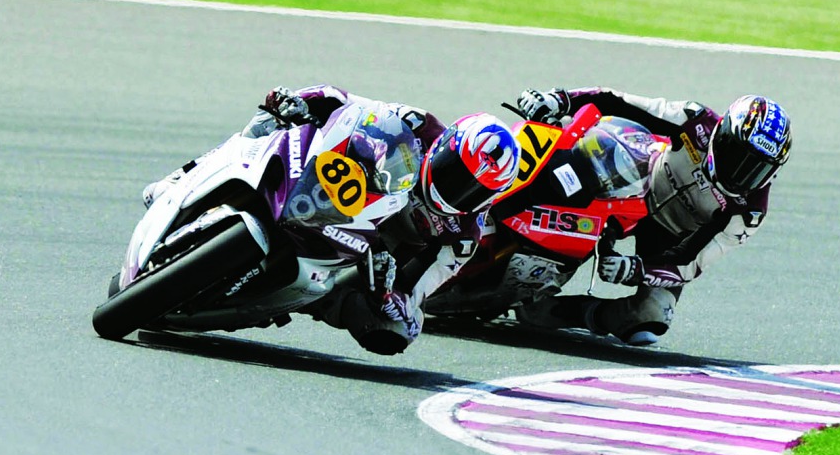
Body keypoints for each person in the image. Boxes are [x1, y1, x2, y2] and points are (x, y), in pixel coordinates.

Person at [145, 84, 521, 355]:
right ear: (444, 146)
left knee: (400, 332)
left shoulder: (462, 237)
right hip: (340, 192)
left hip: (362, 255)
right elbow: (348, 105)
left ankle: (284, 298)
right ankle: (181, 178)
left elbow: (417, 296)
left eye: (472, 190)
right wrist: (299, 102)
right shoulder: (419, 123)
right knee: (266, 124)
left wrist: (391, 296)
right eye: (453, 171)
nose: (456, 189)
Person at [513, 87, 791, 345]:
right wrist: (561, 99)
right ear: (721, 135)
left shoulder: (748, 212)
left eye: (757, 168)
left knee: (651, 318)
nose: (742, 173)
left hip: (671, 236)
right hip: (637, 177)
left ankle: (551, 312)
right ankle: (503, 202)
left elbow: (690, 261)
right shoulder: (696, 122)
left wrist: (638, 269)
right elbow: (619, 102)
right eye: (737, 156)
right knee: (567, 164)